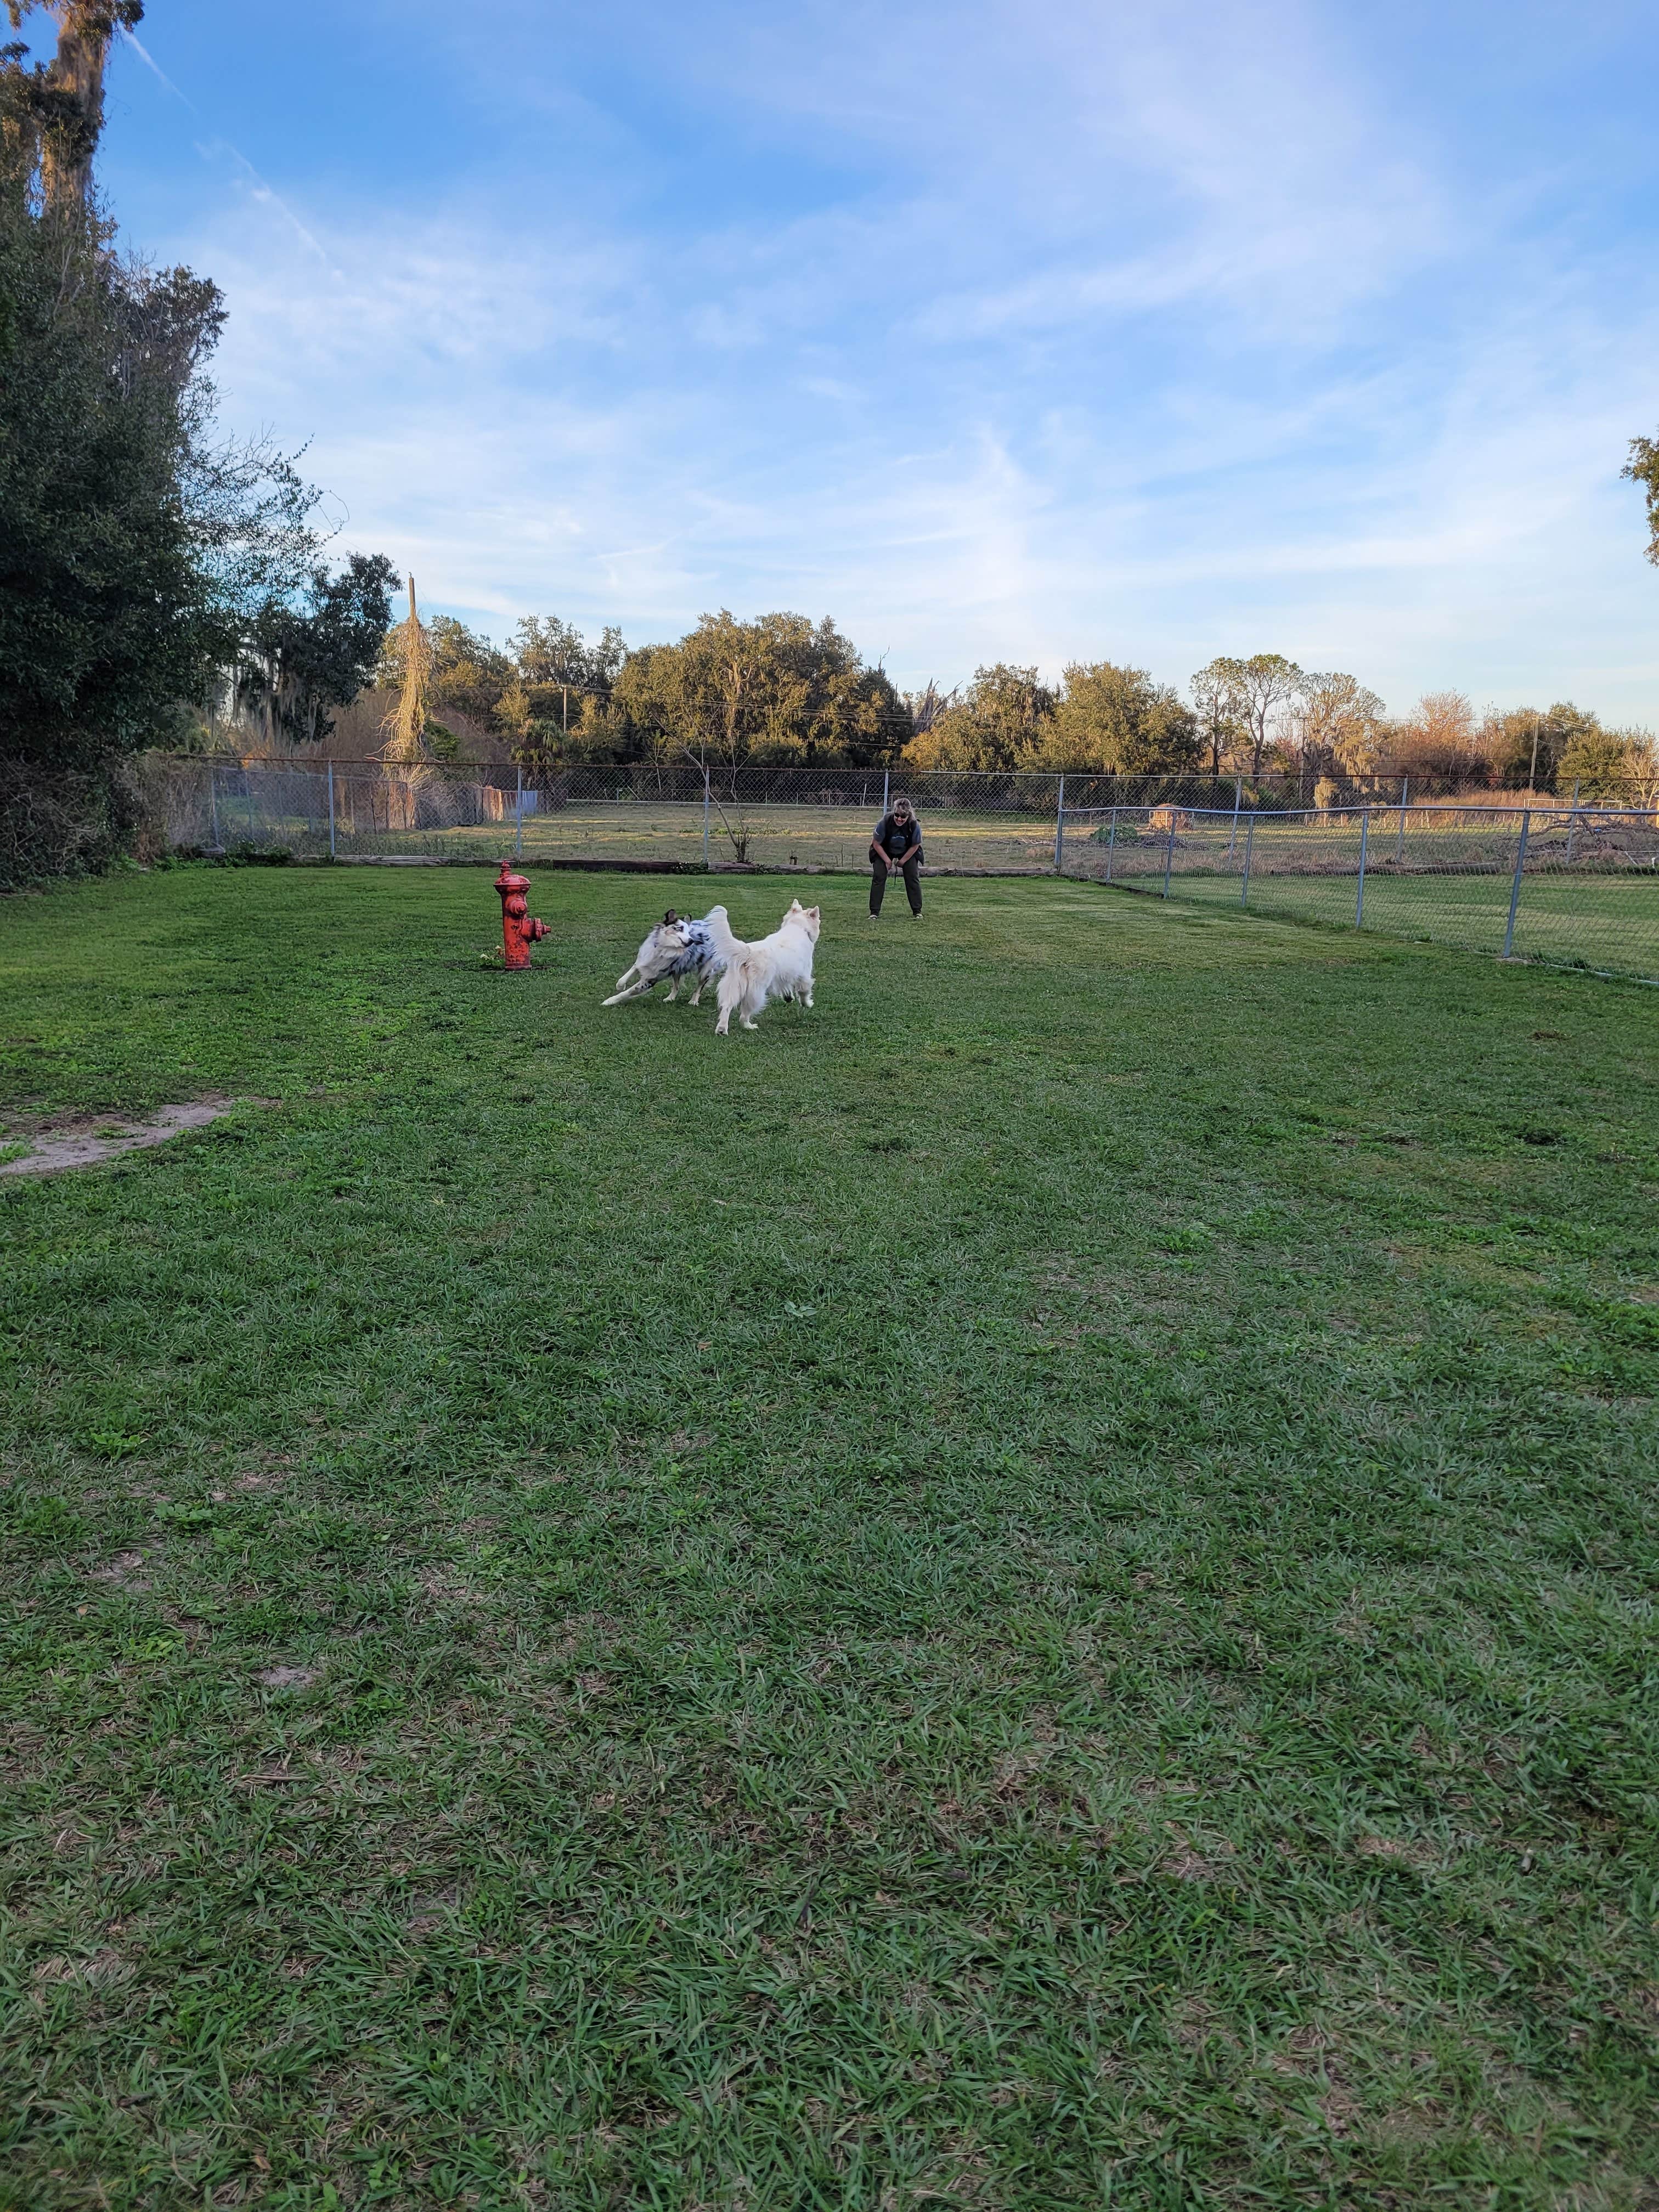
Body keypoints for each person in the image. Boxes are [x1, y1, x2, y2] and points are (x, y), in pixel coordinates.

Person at [869, 795, 923, 917]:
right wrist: (887, 861)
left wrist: (903, 861)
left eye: (903, 816)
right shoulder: (885, 822)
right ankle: (874, 912)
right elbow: (876, 843)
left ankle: (917, 911)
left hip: (907, 850)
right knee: (879, 876)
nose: (899, 819)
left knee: (912, 876)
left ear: (909, 816)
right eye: (897, 815)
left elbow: (916, 845)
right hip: (884, 849)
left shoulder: (914, 824)